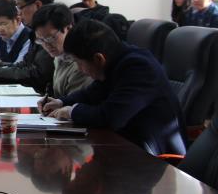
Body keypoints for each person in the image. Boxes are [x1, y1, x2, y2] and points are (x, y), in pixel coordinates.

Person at [40, 19, 186, 156]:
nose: (79, 69)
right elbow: (91, 94)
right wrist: (61, 102)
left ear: (98, 59)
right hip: (126, 145)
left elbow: (110, 117)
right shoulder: (116, 60)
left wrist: (72, 112)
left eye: (79, 63)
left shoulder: (138, 68)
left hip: (153, 157)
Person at [31, 4, 92, 97]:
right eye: (40, 40)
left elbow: (73, 103)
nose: (46, 45)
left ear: (68, 28)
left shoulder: (82, 64)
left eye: (50, 38)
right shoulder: (60, 55)